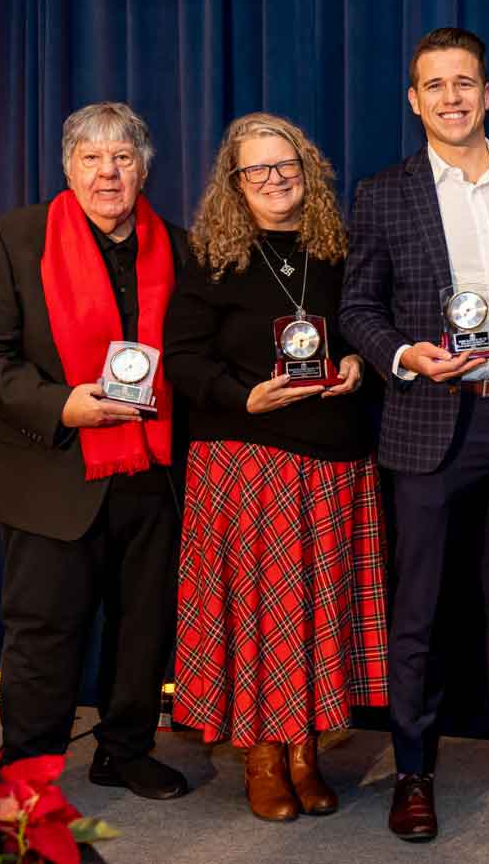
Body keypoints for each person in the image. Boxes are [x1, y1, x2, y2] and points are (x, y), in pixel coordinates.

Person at [339, 27, 489, 841]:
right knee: (422, 613)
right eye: (434, 86)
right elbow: (356, 308)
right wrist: (404, 354)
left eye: (464, 82)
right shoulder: (384, 193)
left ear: (485, 91)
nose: (451, 98)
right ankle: (413, 772)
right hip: (431, 421)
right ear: (414, 99)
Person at [0, 101, 191, 800]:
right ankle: (29, 766)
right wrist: (64, 405)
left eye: (122, 158)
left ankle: (125, 749)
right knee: (44, 630)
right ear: (68, 168)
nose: (108, 172)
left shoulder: (178, 245)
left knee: (143, 628)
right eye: (91, 157)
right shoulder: (14, 239)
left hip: (152, 469)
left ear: (144, 168)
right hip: (53, 469)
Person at [162, 113, 388, 822]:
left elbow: (369, 328)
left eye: (285, 163)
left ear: (307, 166)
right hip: (245, 459)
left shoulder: (340, 248)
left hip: (332, 459)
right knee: (261, 615)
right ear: (235, 183)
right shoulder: (212, 256)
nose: (274, 178)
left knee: (317, 615)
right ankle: (262, 756)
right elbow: (183, 359)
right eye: (256, 169)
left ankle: (306, 753)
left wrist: (358, 364)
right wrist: (242, 395)